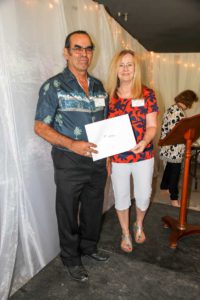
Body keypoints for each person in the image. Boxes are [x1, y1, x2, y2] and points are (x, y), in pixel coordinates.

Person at [34, 30, 109, 282]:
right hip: (69, 160)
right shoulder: (53, 86)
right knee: (67, 211)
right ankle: (70, 258)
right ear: (66, 52)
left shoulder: (99, 87)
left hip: (98, 159)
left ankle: (88, 247)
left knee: (92, 207)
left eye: (88, 49)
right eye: (77, 48)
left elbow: (106, 124)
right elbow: (40, 127)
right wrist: (72, 143)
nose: (83, 54)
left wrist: (107, 157)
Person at [106, 49, 158, 253]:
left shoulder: (147, 94)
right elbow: (104, 130)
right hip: (118, 158)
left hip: (143, 155)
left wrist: (145, 141)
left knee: (144, 195)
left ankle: (139, 223)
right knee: (121, 197)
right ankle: (126, 232)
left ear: (136, 68)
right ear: (115, 69)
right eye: (121, 64)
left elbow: (152, 125)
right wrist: (107, 157)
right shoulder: (108, 96)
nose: (126, 69)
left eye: (130, 64)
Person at [159, 90, 198, 207]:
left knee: (169, 168)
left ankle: (164, 187)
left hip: (169, 147)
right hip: (174, 149)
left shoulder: (172, 108)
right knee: (175, 173)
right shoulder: (178, 112)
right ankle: (174, 198)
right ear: (188, 101)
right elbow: (177, 133)